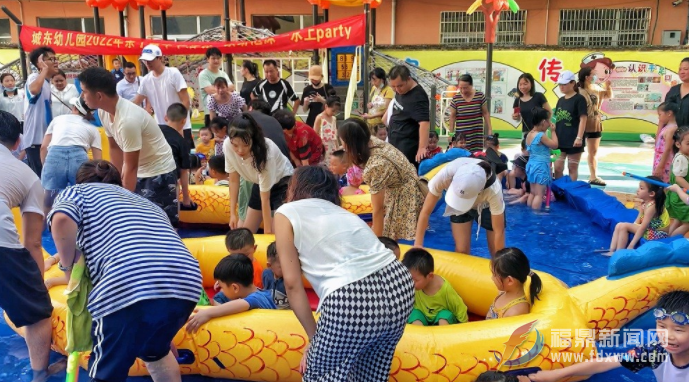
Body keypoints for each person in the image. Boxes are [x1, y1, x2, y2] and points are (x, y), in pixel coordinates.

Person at [48, 159, 202, 382]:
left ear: (80, 181)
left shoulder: (77, 192)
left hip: (127, 282)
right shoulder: (145, 203)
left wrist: (68, 268)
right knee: (156, 351)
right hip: (185, 282)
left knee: (106, 373)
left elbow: (61, 218)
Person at [274, 165, 414, 381]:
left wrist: (315, 340)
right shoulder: (342, 213)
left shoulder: (287, 212)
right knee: (370, 374)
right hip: (399, 284)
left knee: (321, 375)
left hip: (351, 296)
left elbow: (292, 283)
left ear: (295, 188)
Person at [78, 67, 179, 225]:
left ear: (98, 95)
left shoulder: (127, 121)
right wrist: (116, 183)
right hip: (138, 169)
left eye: (84, 91)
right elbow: (114, 148)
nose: (82, 96)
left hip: (159, 171)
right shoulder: (103, 112)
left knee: (161, 225)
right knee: (138, 223)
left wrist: (123, 201)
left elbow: (131, 166)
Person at [0, 111, 56, 382]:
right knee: (38, 313)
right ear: (17, 142)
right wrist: (37, 288)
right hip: (2, 247)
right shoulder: (27, 174)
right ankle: (39, 374)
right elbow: (33, 241)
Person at [529, 290, 689, 382]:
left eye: (678, 330)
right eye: (661, 327)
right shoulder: (655, 353)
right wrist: (556, 374)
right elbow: (605, 362)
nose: (668, 336)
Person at [339, 118, 424, 240]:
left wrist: (377, 242)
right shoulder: (370, 141)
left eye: (342, 142)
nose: (342, 145)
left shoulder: (376, 165)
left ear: (350, 143)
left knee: (389, 237)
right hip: (404, 181)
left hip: (405, 193)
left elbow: (377, 209)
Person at [414, 157, 505, 255]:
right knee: (461, 251)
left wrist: (498, 263)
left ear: (480, 191)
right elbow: (426, 211)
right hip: (458, 196)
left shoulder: (493, 190)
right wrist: (418, 244)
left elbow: (498, 231)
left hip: (486, 205)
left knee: (496, 252)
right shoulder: (445, 175)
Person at [224, 113, 294, 234]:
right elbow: (234, 180)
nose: (240, 150)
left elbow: (265, 199)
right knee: (247, 231)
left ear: (253, 139)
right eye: (235, 145)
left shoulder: (266, 153)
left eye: (245, 145)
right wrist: (232, 214)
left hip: (283, 183)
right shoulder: (227, 146)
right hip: (259, 182)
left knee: (278, 234)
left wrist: (267, 232)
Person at [40, 97, 102, 212]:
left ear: (74, 108)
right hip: (79, 158)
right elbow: (98, 161)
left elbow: (43, 147)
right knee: (83, 201)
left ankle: (42, 228)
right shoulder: (93, 129)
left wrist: (46, 165)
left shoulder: (58, 120)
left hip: (54, 156)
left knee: (47, 203)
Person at [186, 254, 276, 333]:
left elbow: (242, 304)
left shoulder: (258, 298)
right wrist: (213, 303)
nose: (221, 290)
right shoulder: (261, 293)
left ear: (235, 288)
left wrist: (208, 313)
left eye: (222, 287)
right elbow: (232, 308)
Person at [133, 44, 193, 147]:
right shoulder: (146, 80)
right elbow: (135, 102)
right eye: (145, 60)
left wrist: (179, 124)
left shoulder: (173, 73)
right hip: (161, 128)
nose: (147, 63)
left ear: (160, 58)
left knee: (184, 160)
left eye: (150, 60)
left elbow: (185, 101)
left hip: (181, 127)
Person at [402, 248, 468, 326]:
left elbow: (460, 309)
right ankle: (420, 336)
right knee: (414, 314)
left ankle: (442, 335)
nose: (410, 283)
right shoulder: (412, 285)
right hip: (422, 315)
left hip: (440, 317)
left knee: (444, 316)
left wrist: (463, 327)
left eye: (415, 280)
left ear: (430, 276)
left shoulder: (445, 289)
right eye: (408, 278)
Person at [608, 177, 669, 254]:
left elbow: (643, 227)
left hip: (658, 234)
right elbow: (639, 219)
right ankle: (611, 250)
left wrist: (631, 245)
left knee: (623, 226)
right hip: (651, 230)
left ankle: (619, 253)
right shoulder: (646, 202)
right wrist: (633, 226)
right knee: (619, 225)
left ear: (651, 194)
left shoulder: (652, 207)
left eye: (641, 188)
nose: (638, 190)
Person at [385, 65, 430, 167]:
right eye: (393, 87)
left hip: (407, 146)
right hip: (394, 142)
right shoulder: (400, 89)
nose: (397, 90)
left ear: (408, 79)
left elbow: (424, 123)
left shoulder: (418, 96)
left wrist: (422, 147)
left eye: (400, 86)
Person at [24, 46, 59, 176]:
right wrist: (43, 70)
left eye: (56, 58)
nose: (56, 62)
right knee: (42, 180)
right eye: (51, 59)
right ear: (40, 63)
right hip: (35, 141)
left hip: (45, 141)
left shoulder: (46, 82)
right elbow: (33, 90)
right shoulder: (34, 77)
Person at [578, 66, 613, 186]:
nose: (595, 77)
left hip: (595, 123)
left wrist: (608, 86)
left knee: (593, 152)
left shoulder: (597, 88)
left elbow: (608, 95)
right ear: (587, 77)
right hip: (580, 125)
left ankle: (593, 176)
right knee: (575, 152)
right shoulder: (578, 90)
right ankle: (572, 176)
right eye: (593, 74)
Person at [212, 228, 265, 304]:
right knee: (218, 297)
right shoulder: (231, 263)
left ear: (254, 248)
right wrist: (222, 281)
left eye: (246, 255)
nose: (241, 259)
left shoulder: (256, 269)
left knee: (220, 296)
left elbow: (253, 294)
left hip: (245, 300)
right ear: (228, 250)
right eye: (236, 255)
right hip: (233, 294)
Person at [486, 247, 542, 319]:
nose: (492, 278)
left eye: (494, 275)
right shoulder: (503, 292)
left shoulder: (516, 311)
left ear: (509, 281)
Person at [159, 103, 195, 213]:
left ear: (166, 117)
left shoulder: (154, 131)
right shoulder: (182, 142)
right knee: (170, 216)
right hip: (169, 179)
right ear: (184, 121)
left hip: (147, 177)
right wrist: (185, 198)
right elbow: (184, 172)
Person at [553, 70, 588, 181]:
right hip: (560, 140)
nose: (561, 87)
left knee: (572, 167)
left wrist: (579, 137)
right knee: (557, 167)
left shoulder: (579, 99)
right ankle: (559, 189)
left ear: (573, 83)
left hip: (574, 140)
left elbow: (583, 119)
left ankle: (570, 191)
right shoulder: (560, 100)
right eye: (560, 84)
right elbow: (556, 119)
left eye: (564, 84)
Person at [449, 74, 492, 154]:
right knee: (462, 155)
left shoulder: (480, 96)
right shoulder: (456, 98)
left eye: (465, 88)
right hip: (462, 136)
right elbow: (452, 117)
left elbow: (486, 113)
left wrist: (489, 129)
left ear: (471, 85)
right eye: (460, 88)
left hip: (476, 133)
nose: (463, 90)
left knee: (476, 156)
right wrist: (451, 134)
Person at [525, 107, 558, 210]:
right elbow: (555, 145)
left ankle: (529, 214)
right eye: (549, 121)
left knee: (532, 193)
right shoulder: (540, 136)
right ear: (544, 121)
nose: (549, 124)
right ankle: (536, 217)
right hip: (541, 167)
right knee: (539, 194)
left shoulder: (529, 134)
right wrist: (553, 131)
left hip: (531, 165)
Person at [198, 47, 232, 127]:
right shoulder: (203, 74)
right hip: (210, 112)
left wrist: (218, 89)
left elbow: (232, 87)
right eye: (213, 58)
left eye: (218, 58)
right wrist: (225, 89)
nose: (216, 60)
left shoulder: (223, 74)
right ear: (208, 59)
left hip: (225, 112)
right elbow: (210, 91)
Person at [511, 73, 551, 139]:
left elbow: (549, 112)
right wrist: (515, 117)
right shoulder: (517, 100)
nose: (522, 87)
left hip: (540, 133)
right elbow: (517, 118)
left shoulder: (539, 96)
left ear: (531, 84)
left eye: (525, 84)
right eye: (520, 84)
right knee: (526, 149)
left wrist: (544, 127)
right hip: (526, 133)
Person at [665, 128, 689, 237]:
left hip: (678, 194)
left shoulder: (684, 156)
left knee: (678, 220)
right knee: (687, 223)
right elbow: (679, 178)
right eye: (688, 143)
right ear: (678, 144)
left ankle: (669, 238)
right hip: (681, 196)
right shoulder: (681, 159)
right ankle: (672, 241)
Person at [654, 102, 679, 183]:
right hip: (659, 159)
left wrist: (661, 166)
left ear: (669, 113)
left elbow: (667, 149)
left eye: (660, 115)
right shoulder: (667, 128)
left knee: (663, 183)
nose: (659, 118)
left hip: (665, 162)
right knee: (657, 181)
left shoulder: (671, 129)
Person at [363, 67, 394, 132]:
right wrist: (369, 105)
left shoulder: (389, 90)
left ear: (382, 79)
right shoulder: (374, 88)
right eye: (371, 80)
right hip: (370, 122)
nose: (373, 83)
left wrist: (372, 116)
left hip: (381, 125)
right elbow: (372, 102)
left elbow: (386, 110)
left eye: (375, 80)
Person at [262, 241, 289, 309]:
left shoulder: (290, 278)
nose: (289, 269)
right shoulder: (266, 274)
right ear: (269, 265)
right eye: (283, 266)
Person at [664, 57, 689, 128]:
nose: (682, 72)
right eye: (680, 69)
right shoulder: (674, 90)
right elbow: (664, 113)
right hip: (673, 135)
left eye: (686, 69)